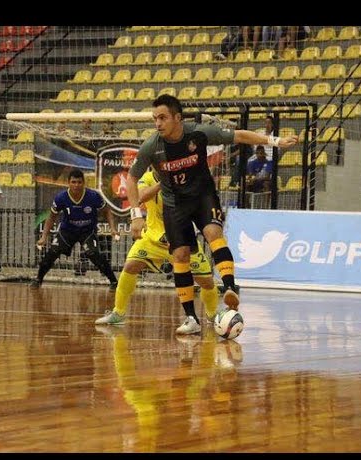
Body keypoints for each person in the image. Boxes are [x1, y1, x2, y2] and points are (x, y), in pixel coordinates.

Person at [125, 94, 298, 334]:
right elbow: (131, 178)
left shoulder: (198, 134)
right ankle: (191, 319)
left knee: (213, 232)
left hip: (203, 196)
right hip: (174, 204)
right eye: (155, 119)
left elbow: (238, 135)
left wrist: (276, 141)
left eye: (163, 118)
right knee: (181, 255)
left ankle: (229, 287)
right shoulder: (151, 146)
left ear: (177, 118)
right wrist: (136, 215)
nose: (158, 123)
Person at [95, 168, 219, 333]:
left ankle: (212, 316)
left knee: (206, 282)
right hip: (152, 238)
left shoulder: (183, 179)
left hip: (181, 239)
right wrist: (163, 183)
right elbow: (140, 197)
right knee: (130, 266)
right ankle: (118, 313)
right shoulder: (146, 178)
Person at [31, 168, 119, 289]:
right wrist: (44, 237)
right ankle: (38, 279)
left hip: (87, 231)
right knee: (53, 252)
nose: (76, 185)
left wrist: (113, 229)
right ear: (69, 183)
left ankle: (114, 282)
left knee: (93, 253)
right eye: (73, 182)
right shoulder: (61, 198)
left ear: (83, 183)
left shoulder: (93, 196)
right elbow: (51, 217)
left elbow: (107, 211)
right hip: (68, 231)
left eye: (79, 182)